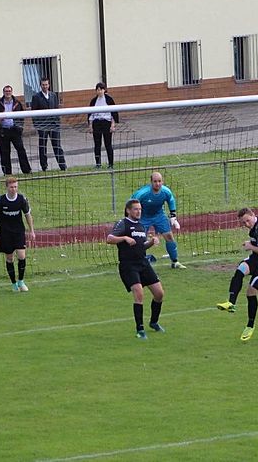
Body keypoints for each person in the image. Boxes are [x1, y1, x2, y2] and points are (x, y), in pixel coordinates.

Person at [216, 208, 258, 341]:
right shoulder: (256, 226)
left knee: (251, 293)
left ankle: (250, 326)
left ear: (253, 215)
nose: (246, 224)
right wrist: (251, 245)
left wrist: (250, 246)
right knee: (240, 271)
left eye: (247, 220)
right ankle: (231, 303)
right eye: (243, 222)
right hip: (256, 259)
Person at [107, 199, 166, 339]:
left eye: (140, 209)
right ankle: (140, 330)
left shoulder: (140, 226)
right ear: (128, 210)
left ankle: (154, 322)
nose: (139, 211)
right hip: (128, 265)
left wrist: (151, 242)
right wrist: (124, 238)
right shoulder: (123, 223)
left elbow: (141, 246)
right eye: (135, 209)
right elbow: (109, 239)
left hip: (143, 263)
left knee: (159, 294)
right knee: (139, 293)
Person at [0, 177, 36, 292]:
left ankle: (21, 281)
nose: (14, 189)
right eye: (11, 187)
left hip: (18, 231)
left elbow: (27, 215)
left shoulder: (22, 199)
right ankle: (14, 284)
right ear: (6, 187)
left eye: (15, 187)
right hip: (5, 232)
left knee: (21, 255)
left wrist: (32, 230)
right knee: (9, 258)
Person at [131, 172, 185, 269]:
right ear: (151, 182)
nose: (157, 184)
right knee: (140, 240)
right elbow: (131, 202)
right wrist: (131, 217)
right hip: (143, 217)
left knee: (169, 236)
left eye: (159, 181)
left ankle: (175, 262)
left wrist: (173, 215)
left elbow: (171, 200)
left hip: (159, 216)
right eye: (155, 181)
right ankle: (139, 262)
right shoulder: (143, 193)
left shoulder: (166, 191)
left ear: (162, 181)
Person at [0, 85, 32, 176]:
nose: (8, 93)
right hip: (3, 131)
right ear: (3, 92)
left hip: (15, 130)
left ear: (12, 92)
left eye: (9, 91)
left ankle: (26, 170)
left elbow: (21, 116)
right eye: (6, 91)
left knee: (21, 149)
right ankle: (7, 172)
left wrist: (20, 127)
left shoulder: (17, 103)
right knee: (4, 152)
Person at [31, 78, 67, 172]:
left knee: (57, 145)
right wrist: (37, 125)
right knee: (43, 146)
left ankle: (63, 166)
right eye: (43, 85)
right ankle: (44, 166)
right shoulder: (36, 97)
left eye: (46, 84)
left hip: (54, 124)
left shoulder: (53, 95)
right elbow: (33, 113)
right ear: (40, 86)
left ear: (49, 85)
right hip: (43, 125)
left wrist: (57, 122)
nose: (45, 86)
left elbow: (56, 109)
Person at [89, 82, 119, 169]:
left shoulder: (109, 100)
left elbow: (113, 113)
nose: (99, 91)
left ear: (104, 90)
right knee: (97, 144)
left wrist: (112, 125)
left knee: (108, 144)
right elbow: (90, 114)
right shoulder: (93, 101)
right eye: (98, 90)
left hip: (106, 123)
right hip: (97, 123)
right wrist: (90, 125)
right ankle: (98, 164)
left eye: (101, 89)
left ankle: (110, 164)